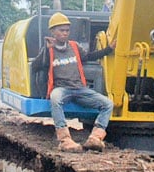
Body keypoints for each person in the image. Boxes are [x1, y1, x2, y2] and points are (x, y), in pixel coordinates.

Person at [31, 13, 116, 152]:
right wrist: (47, 49)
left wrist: (109, 49)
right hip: (61, 88)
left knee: (108, 104)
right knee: (55, 98)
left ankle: (95, 137)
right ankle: (64, 140)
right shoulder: (48, 49)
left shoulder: (74, 47)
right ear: (53, 31)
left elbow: (89, 56)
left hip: (79, 88)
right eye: (61, 30)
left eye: (67, 30)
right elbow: (38, 66)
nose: (65, 33)